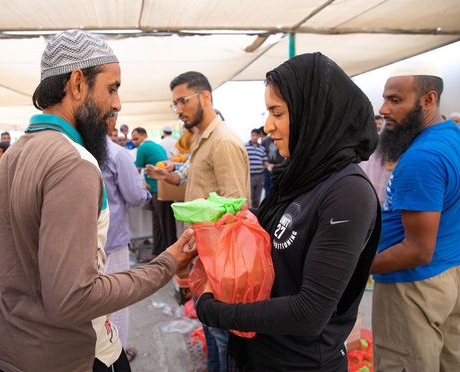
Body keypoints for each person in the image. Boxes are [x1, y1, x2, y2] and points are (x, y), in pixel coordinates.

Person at [0, 30, 196, 372]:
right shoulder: (73, 163)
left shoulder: (13, 154)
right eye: (112, 88)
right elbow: (72, 299)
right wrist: (167, 264)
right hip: (74, 358)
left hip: (14, 349)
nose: (117, 104)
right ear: (77, 84)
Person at [195, 53, 380, 371]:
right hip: (264, 353)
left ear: (314, 114)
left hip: (301, 362)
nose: (268, 127)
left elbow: (310, 312)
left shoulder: (348, 193)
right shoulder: (300, 176)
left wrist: (214, 309)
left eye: (277, 112)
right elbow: (282, 233)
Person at [371, 61, 460, 371]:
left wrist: (356, 267)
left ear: (428, 99)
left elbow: (417, 249)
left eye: (395, 100)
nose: (383, 109)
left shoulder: (421, 158)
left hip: (413, 288)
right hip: (452, 274)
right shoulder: (456, 138)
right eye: (385, 98)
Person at [146, 71, 250, 372]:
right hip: (204, 253)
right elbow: (195, 181)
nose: (178, 109)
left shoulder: (223, 143)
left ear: (205, 97)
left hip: (219, 257)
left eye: (183, 101)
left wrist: (212, 262)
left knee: (221, 334)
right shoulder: (201, 139)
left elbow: (236, 208)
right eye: (174, 103)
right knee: (209, 323)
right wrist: (170, 177)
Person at [102, 113, 152, 362]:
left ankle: (99, 352)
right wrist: (145, 193)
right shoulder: (115, 154)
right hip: (113, 239)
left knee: (93, 303)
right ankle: (117, 352)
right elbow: (133, 196)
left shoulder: (73, 149)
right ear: (110, 123)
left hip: (84, 243)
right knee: (118, 298)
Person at [133, 127, 177, 261]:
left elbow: (136, 169)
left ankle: (171, 255)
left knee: (164, 223)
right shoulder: (157, 146)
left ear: (144, 136)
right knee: (160, 222)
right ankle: (158, 252)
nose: (134, 142)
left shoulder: (142, 148)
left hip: (158, 189)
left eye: (136, 138)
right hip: (162, 188)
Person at [245, 128, 271, 208]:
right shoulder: (245, 146)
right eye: (253, 135)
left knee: (257, 198)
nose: (255, 137)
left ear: (259, 136)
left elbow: (264, 161)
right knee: (249, 197)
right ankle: (249, 215)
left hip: (260, 176)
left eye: (256, 135)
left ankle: (256, 214)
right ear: (251, 135)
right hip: (249, 176)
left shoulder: (262, 149)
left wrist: (269, 166)